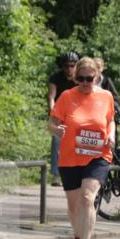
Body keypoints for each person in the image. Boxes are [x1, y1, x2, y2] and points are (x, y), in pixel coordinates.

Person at [48, 57, 115, 239]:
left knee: (87, 198)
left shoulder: (105, 96)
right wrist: (57, 130)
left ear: (97, 77)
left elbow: (110, 120)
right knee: (74, 206)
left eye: (89, 78)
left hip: (98, 155)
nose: (85, 83)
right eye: (81, 78)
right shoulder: (67, 96)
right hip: (70, 156)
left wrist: (111, 135)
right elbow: (51, 124)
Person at [48, 51, 79, 186]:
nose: (69, 69)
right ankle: (56, 175)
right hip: (59, 113)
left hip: (76, 114)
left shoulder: (79, 78)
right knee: (56, 139)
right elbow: (51, 97)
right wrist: (54, 112)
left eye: (72, 66)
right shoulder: (56, 77)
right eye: (66, 66)